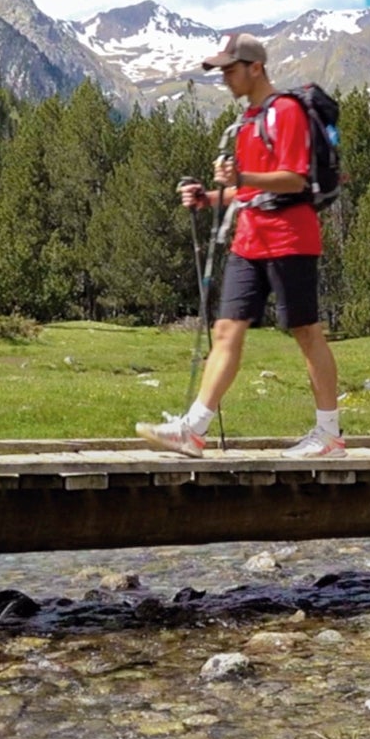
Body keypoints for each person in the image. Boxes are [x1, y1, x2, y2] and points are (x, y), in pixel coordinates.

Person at [137, 33, 345, 458]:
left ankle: (329, 436)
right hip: (250, 238)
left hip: (291, 237)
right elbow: (249, 190)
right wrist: (210, 197)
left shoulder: (283, 112)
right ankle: (193, 430)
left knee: (306, 332)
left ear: (256, 68)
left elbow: (295, 179)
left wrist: (240, 180)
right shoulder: (248, 121)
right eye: (222, 71)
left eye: (231, 70)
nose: (226, 78)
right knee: (226, 329)